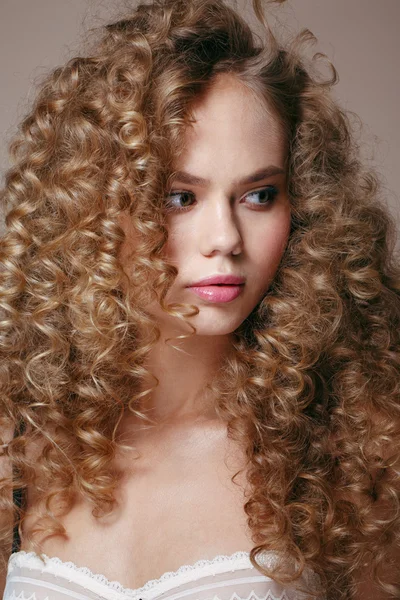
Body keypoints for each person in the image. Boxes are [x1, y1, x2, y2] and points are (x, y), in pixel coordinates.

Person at [0, 0, 399, 598]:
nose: (225, 239)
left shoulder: (355, 452)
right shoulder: (20, 446)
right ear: (96, 207)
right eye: (179, 197)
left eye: (259, 195)